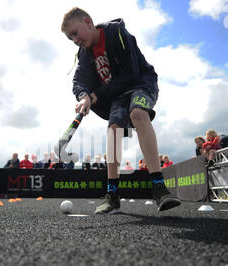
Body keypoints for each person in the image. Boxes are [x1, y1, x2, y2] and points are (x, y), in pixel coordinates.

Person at [62, 7, 180, 213]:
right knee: (114, 130)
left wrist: (96, 95)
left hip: (141, 84)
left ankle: (159, 188)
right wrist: (83, 97)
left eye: (75, 33)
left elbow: (130, 74)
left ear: (88, 23)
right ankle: (113, 195)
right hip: (116, 96)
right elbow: (78, 81)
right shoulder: (83, 54)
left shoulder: (117, 33)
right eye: (70, 38)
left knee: (138, 114)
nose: (74, 40)